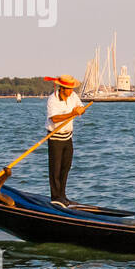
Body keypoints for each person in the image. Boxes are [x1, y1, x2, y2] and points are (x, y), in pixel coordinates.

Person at [43, 74, 86, 206]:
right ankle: (55, 197)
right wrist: (72, 113)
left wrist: (80, 110)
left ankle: (62, 195)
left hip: (68, 136)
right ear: (62, 88)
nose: (71, 91)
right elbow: (54, 118)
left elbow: (81, 108)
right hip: (55, 137)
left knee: (66, 167)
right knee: (55, 168)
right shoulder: (52, 99)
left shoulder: (73, 96)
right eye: (69, 89)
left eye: (72, 89)